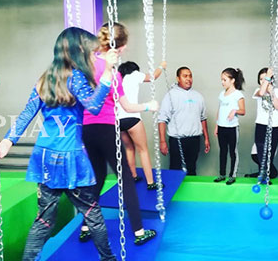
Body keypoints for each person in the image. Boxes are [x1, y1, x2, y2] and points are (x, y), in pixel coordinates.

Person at [0, 27, 130, 261]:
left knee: (43, 221)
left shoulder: (44, 79)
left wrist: (8, 141)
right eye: (89, 52)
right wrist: (108, 75)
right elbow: (94, 107)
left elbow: (27, 113)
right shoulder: (76, 77)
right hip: (70, 158)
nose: (92, 56)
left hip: (44, 157)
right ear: (79, 51)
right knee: (93, 215)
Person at [80, 23, 159, 246]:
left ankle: (85, 227)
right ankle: (139, 232)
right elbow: (127, 106)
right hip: (106, 128)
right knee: (125, 180)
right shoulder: (113, 74)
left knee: (97, 178)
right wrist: (149, 105)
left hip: (87, 130)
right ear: (120, 47)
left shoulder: (86, 65)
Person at [116, 60, 166, 190]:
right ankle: (151, 182)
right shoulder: (135, 74)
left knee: (129, 148)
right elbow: (153, 76)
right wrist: (161, 66)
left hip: (118, 120)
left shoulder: (118, 79)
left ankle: (133, 176)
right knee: (143, 150)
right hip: (132, 117)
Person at [158, 67, 210, 175]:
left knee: (192, 169)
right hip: (177, 140)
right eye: (185, 76)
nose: (188, 79)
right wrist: (162, 141)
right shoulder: (170, 95)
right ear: (178, 78)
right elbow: (162, 119)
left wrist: (206, 138)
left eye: (190, 76)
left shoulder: (198, 96)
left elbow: (203, 119)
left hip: (194, 140)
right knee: (175, 171)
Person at [246, 67, 278, 180]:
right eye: (261, 79)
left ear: (272, 80)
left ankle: (266, 176)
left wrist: (272, 91)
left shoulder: (277, 91)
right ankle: (262, 173)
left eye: (266, 78)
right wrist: (267, 78)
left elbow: (277, 106)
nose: (264, 81)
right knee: (260, 150)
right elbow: (262, 92)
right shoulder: (257, 91)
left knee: (270, 152)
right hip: (261, 124)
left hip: (274, 126)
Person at [214, 68, 246, 185]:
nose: (222, 82)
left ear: (232, 80)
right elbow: (219, 110)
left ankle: (232, 175)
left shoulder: (238, 95)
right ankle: (222, 174)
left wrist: (235, 110)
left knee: (233, 152)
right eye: (221, 80)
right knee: (222, 151)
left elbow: (243, 111)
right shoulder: (221, 94)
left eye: (224, 80)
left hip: (232, 128)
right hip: (221, 127)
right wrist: (217, 125)